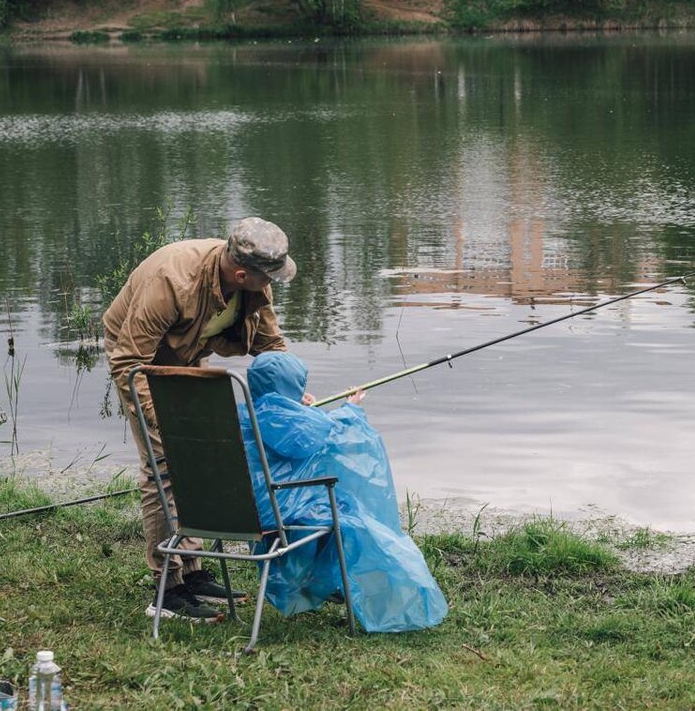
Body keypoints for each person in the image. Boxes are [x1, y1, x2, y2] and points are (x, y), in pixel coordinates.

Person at [103, 216, 309, 622]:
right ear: (240, 273)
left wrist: (291, 391)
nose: (272, 285)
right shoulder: (170, 281)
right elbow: (128, 362)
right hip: (138, 360)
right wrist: (161, 422)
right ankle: (167, 588)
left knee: (198, 462)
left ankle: (192, 570)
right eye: (267, 278)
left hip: (186, 353)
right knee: (165, 466)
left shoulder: (253, 285)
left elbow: (272, 346)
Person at [240, 352, 448, 632]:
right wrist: (351, 407)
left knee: (330, 511)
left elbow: (296, 431)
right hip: (275, 513)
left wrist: (300, 409)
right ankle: (386, 603)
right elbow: (331, 433)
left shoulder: (243, 415)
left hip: (236, 515)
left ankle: (325, 584)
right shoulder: (289, 421)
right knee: (351, 517)